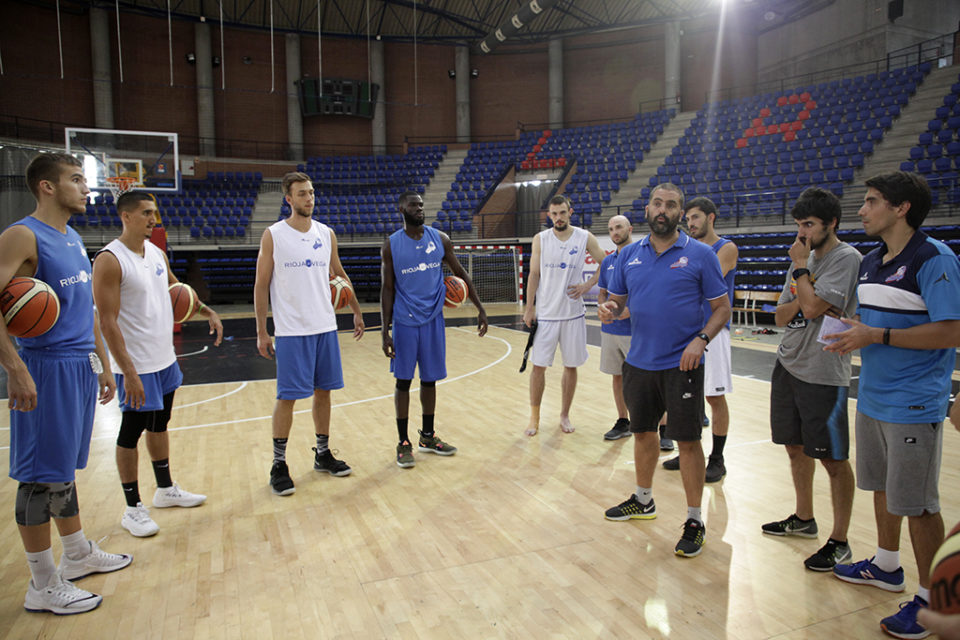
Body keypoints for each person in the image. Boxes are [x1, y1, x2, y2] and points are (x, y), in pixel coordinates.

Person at [826, 171, 960, 640]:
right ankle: (886, 565)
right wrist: (853, 331)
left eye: (871, 201)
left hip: (914, 403)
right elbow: (879, 318)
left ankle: (932, 601)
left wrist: (875, 335)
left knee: (919, 505)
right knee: (882, 488)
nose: (861, 210)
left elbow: (951, 330)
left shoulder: (934, 258)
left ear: (901, 208)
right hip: (874, 397)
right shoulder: (871, 261)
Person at [0, 153, 131, 615]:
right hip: (45, 366)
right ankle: (42, 583)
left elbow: (87, 311)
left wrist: (101, 362)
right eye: (76, 179)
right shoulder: (21, 235)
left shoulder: (73, 238)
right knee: (38, 478)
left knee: (60, 469)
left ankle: (76, 554)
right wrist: (15, 368)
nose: (85, 188)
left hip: (78, 364)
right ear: (47, 188)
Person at [599, 183, 730, 558]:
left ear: (680, 213)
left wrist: (700, 340)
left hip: (682, 363)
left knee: (688, 442)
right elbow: (618, 301)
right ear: (648, 209)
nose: (663, 210)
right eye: (657, 203)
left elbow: (722, 308)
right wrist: (608, 308)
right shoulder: (630, 255)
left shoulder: (701, 255)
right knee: (642, 434)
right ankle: (643, 500)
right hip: (639, 362)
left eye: (671, 205)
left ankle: (694, 520)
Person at [92, 192, 223, 537]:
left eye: (155, 213)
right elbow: (107, 322)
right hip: (135, 366)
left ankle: (164, 489)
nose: (153, 219)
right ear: (126, 216)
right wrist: (129, 373)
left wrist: (205, 310)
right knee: (130, 433)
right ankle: (132, 507)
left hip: (164, 359)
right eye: (146, 213)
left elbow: (175, 291)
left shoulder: (156, 253)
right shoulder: (109, 259)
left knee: (159, 424)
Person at [759, 187, 861, 573]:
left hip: (823, 370)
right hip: (789, 362)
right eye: (799, 224)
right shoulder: (804, 256)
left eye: (810, 224)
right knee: (794, 447)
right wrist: (804, 288)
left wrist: (802, 273)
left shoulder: (844, 258)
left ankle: (840, 540)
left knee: (834, 459)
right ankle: (804, 518)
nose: (802, 232)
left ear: (831, 223)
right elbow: (782, 315)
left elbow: (813, 305)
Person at [254, 172, 364, 496]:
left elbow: (339, 274)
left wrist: (357, 310)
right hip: (291, 331)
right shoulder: (273, 235)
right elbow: (261, 285)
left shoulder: (326, 233)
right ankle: (278, 463)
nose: (309, 199)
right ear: (288, 198)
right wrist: (262, 331)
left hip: (325, 327)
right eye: (302, 194)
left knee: (324, 393)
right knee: (287, 397)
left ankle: (322, 453)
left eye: (312, 193)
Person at [380, 191, 487, 467]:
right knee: (403, 381)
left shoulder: (440, 239)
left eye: (421, 205)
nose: (419, 208)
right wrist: (385, 331)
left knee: (430, 380)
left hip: (433, 321)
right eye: (413, 205)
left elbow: (461, 274)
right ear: (401, 208)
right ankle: (403, 442)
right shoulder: (391, 245)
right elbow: (388, 289)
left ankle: (427, 436)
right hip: (404, 322)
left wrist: (480, 307)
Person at [661, 197, 738, 482]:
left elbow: (698, 280)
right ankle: (689, 450)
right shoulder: (687, 250)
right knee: (688, 394)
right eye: (688, 219)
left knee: (714, 396)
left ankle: (717, 458)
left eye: (695, 218)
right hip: (687, 332)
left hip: (713, 332)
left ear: (710, 218)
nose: (690, 224)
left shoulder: (725, 248)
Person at [523, 195, 606, 436]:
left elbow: (606, 263)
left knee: (571, 366)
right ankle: (534, 417)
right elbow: (534, 274)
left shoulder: (584, 237)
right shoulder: (540, 239)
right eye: (554, 214)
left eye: (562, 212)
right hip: (546, 315)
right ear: (549, 215)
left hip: (572, 315)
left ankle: (564, 414)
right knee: (538, 367)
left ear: (570, 212)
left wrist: (588, 284)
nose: (558, 217)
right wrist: (530, 307)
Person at [597, 215, 633, 441]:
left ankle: (664, 427)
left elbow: (650, 291)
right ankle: (623, 421)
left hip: (636, 330)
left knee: (647, 379)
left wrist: (633, 309)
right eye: (611, 229)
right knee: (617, 377)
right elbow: (602, 292)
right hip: (611, 330)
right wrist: (602, 308)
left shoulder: (643, 256)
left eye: (618, 227)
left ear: (630, 228)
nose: (614, 232)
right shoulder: (609, 261)